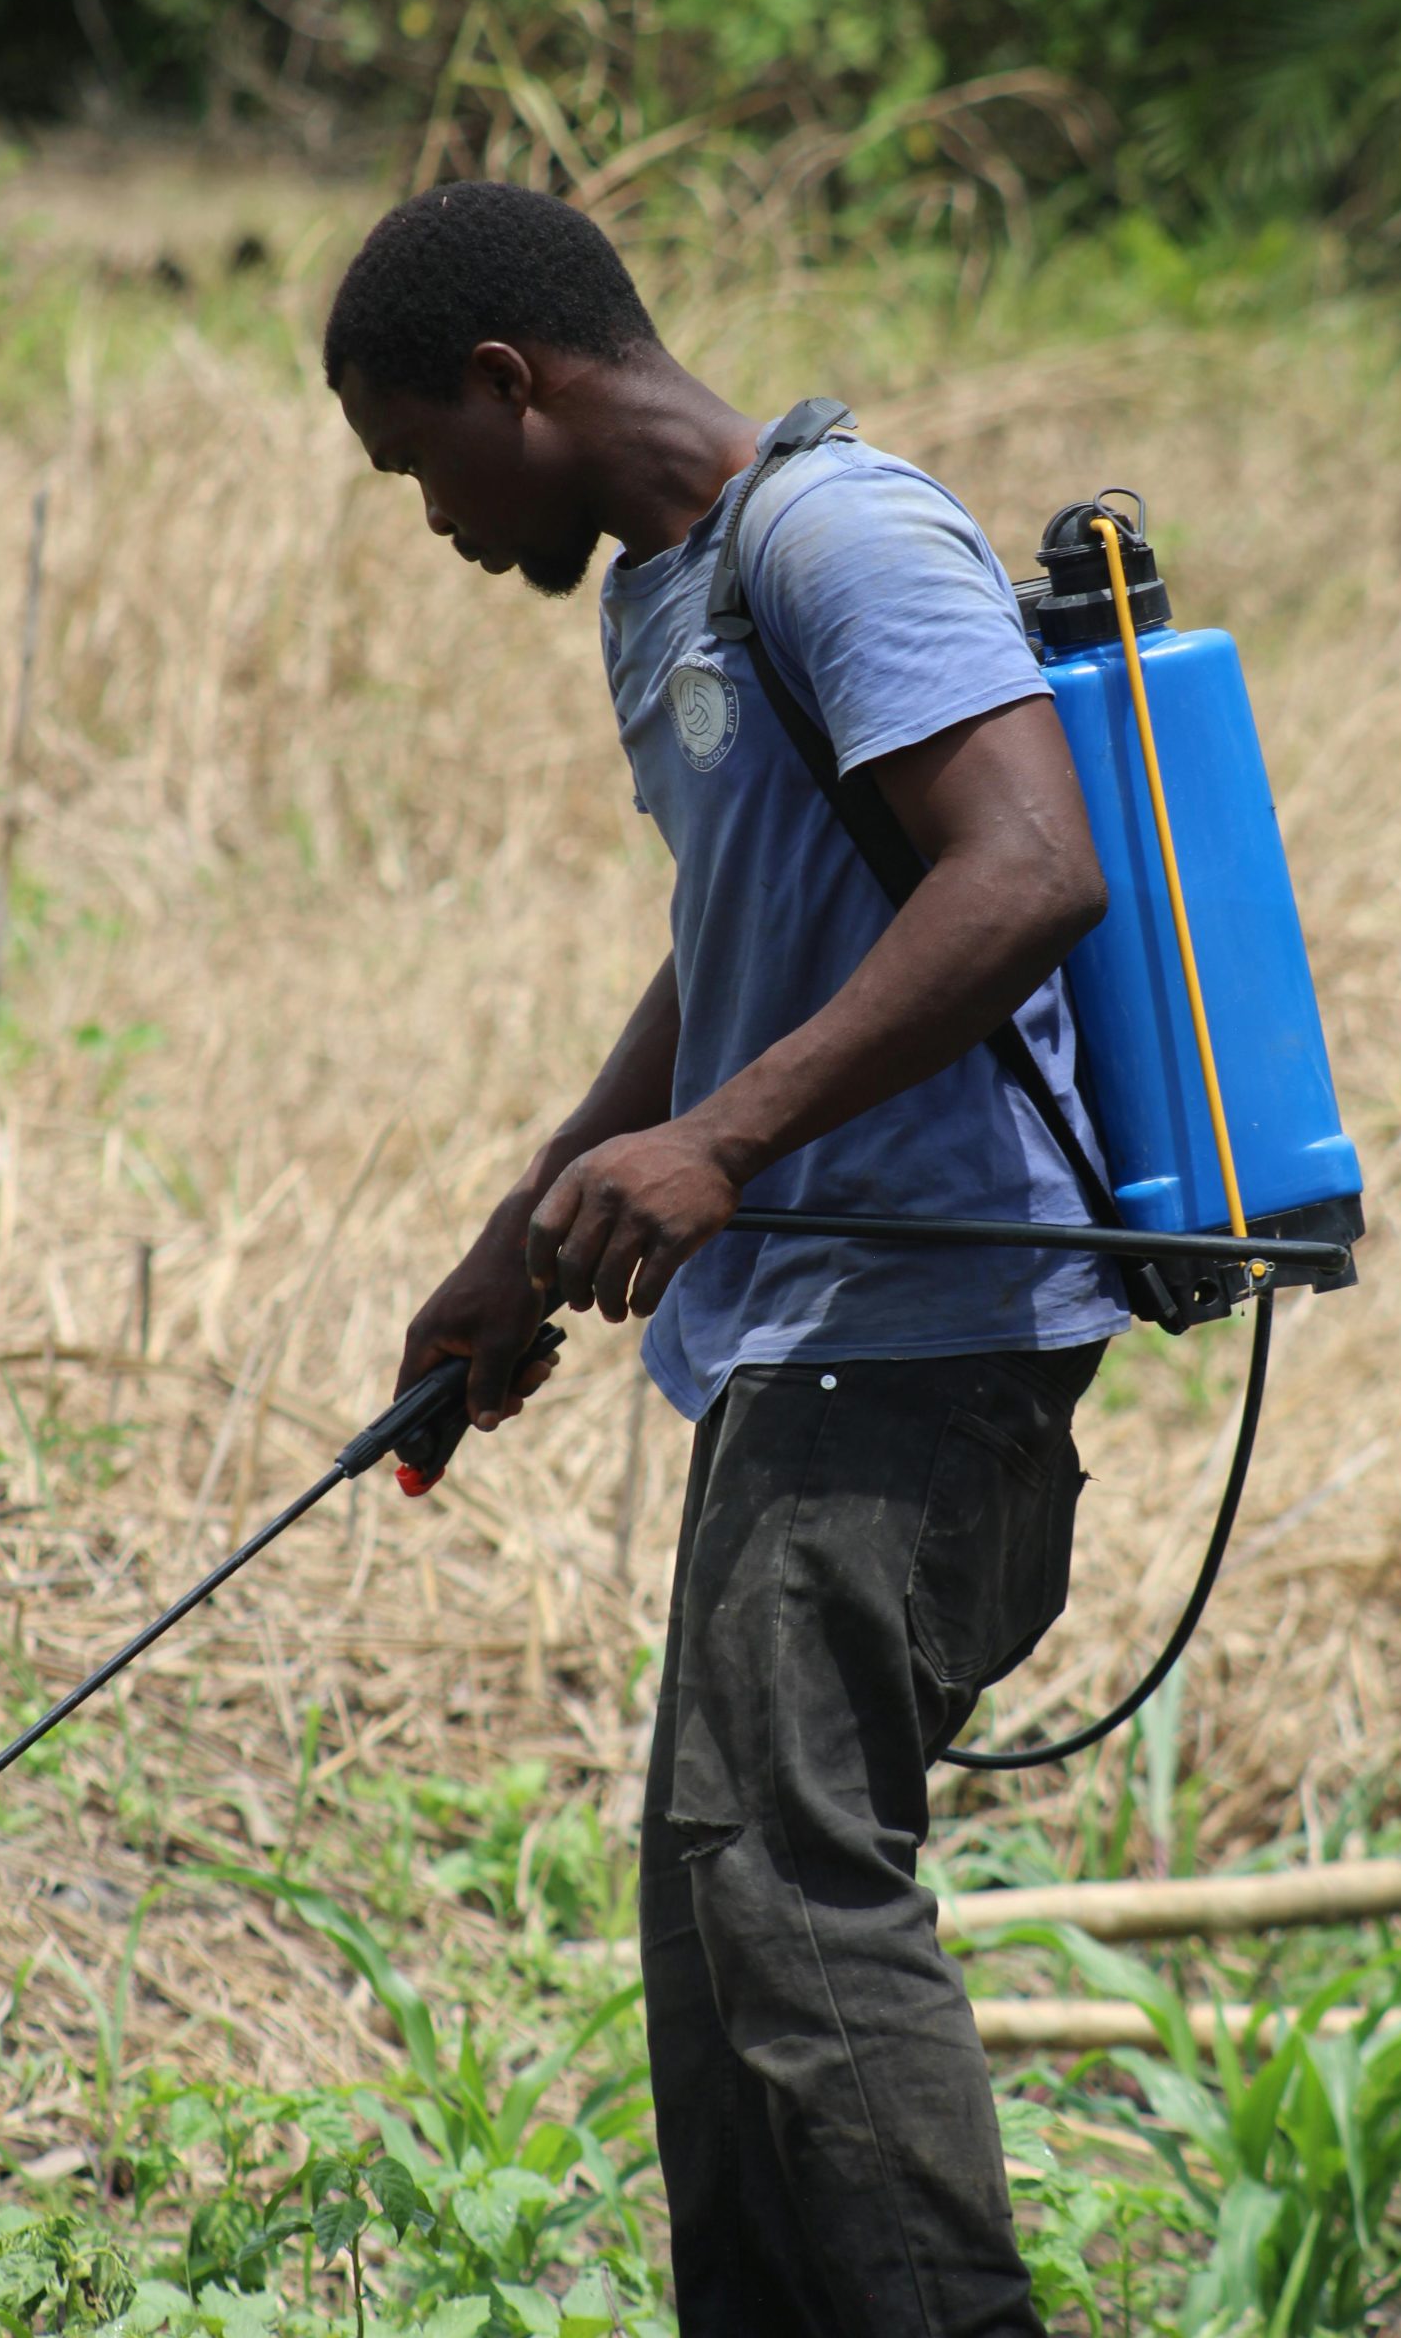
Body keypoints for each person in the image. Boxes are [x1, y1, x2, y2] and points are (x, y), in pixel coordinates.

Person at [324, 179, 1130, 2338]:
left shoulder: (840, 537)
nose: (436, 525)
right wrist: (530, 1224)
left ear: (513, 384)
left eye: (424, 466)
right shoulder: (665, 595)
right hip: (807, 1330)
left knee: (784, 1882)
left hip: (933, 1318)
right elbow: (732, 944)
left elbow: (1031, 871)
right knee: (717, 1903)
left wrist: (729, 1143)